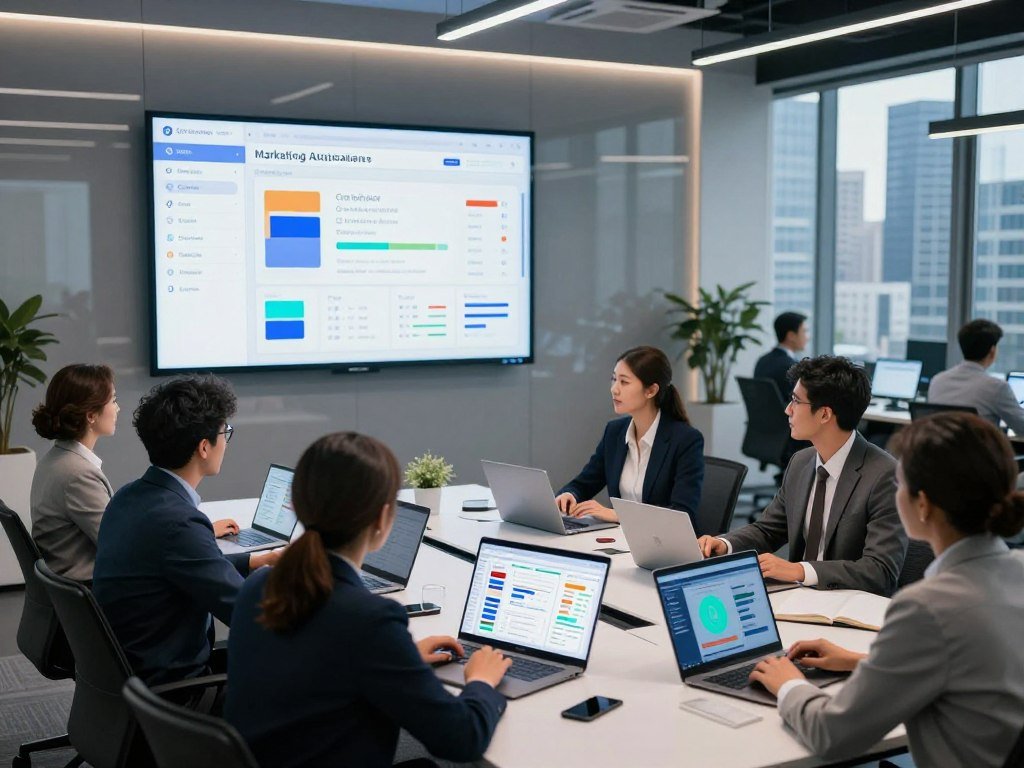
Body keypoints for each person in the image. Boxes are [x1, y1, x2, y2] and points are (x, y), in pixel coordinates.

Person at [748, 412, 1024, 767]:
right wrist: (861, 661)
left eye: (899, 483)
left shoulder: (926, 609)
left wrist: (788, 684)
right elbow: (975, 666)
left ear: (922, 505)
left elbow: (831, 733)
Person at [225, 432, 510, 768]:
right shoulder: (369, 620)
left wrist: (400, 657)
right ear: (382, 518)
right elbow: (461, 739)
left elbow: (315, 661)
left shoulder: (258, 585)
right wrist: (481, 681)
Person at [93, 375, 274, 685]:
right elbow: (247, 613)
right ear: (204, 447)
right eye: (225, 433)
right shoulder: (178, 523)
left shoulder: (128, 497)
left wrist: (252, 561)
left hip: (133, 677)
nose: (225, 443)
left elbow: (177, 566)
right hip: (175, 692)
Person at [698, 356, 907, 596]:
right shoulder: (801, 462)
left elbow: (880, 571)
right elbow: (768, 530)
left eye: (796, 401)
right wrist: (724, 544)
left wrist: (800, 570)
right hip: (798, 597)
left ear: (825, 414)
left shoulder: (883, 475)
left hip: (846, 604)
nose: (787, 409)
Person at [554, 346, 704, 523]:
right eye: (614, 379)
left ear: (651, 391)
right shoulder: (614, 432)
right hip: (620, 536)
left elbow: (682, 513)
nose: (614, 389)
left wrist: (619, 515)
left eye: (624, 382)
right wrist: (569, 495)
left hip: (663, 539)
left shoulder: (686, 440)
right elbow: (584, 483)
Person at [28, 364, 118, 581]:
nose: (118, 408)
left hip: (67, 585)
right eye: (113, 400)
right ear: (91, 415)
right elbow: (119, 544)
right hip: (90, 586)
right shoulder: (78, 474)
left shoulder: (55, 459)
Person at [928, 318, 1024, 434]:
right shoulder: (996, 387)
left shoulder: (937, 381)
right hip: (978, 446)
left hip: (942, 446)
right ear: (992, 351)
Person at [754, 311, 808, 400]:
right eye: (804, 331)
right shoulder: (790, 367)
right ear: (791, 336)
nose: (807, 337)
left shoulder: (762, 361)